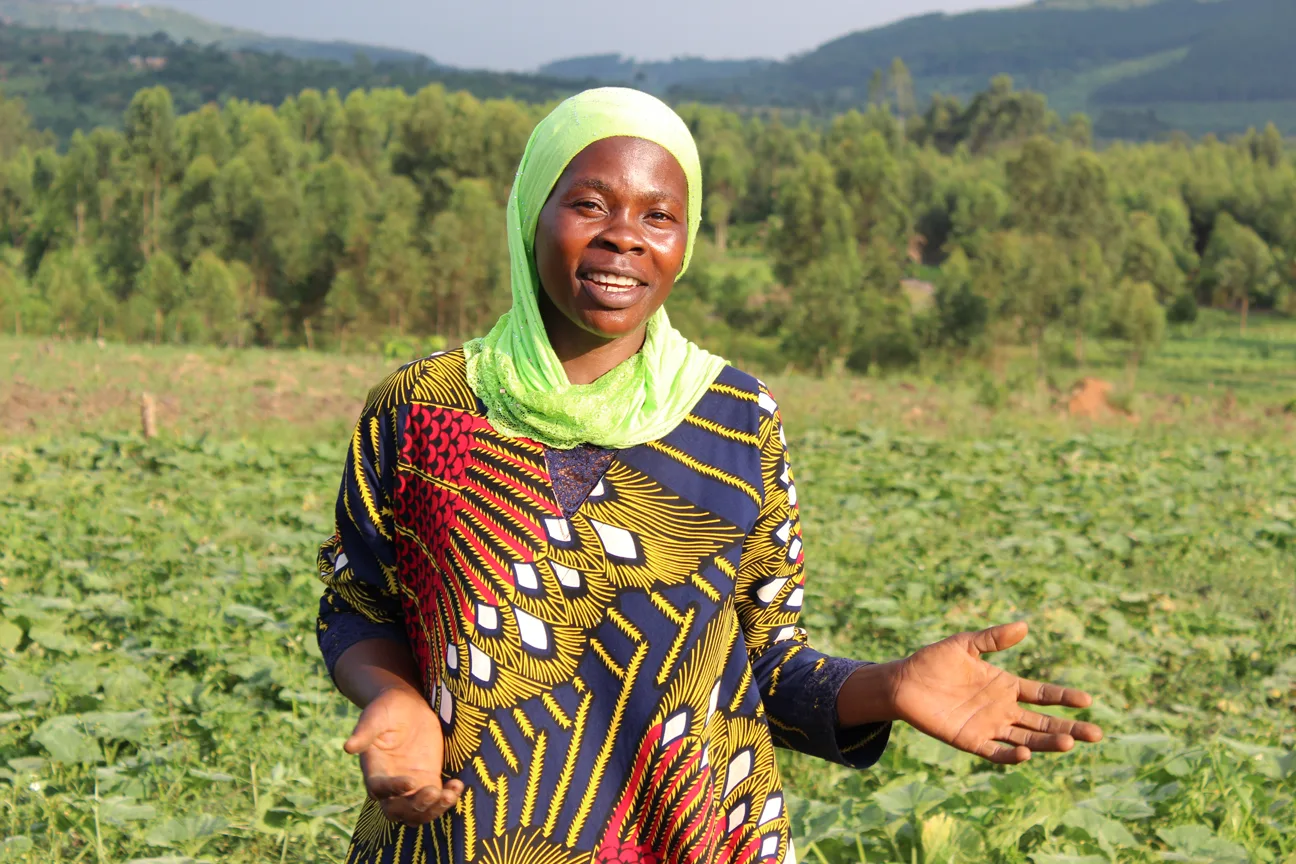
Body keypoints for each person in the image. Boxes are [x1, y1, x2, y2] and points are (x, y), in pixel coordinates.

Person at [315, 87, 1102, 864]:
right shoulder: (423, 408)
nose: (625, 237)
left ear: (683, 244)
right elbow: (357, 604)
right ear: (532, 213)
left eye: (657, 216)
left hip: (698, 841)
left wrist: (890, 685)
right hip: (464, 836)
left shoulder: (735, 417)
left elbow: (769, 664)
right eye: (590, 205)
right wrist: (391, 695)